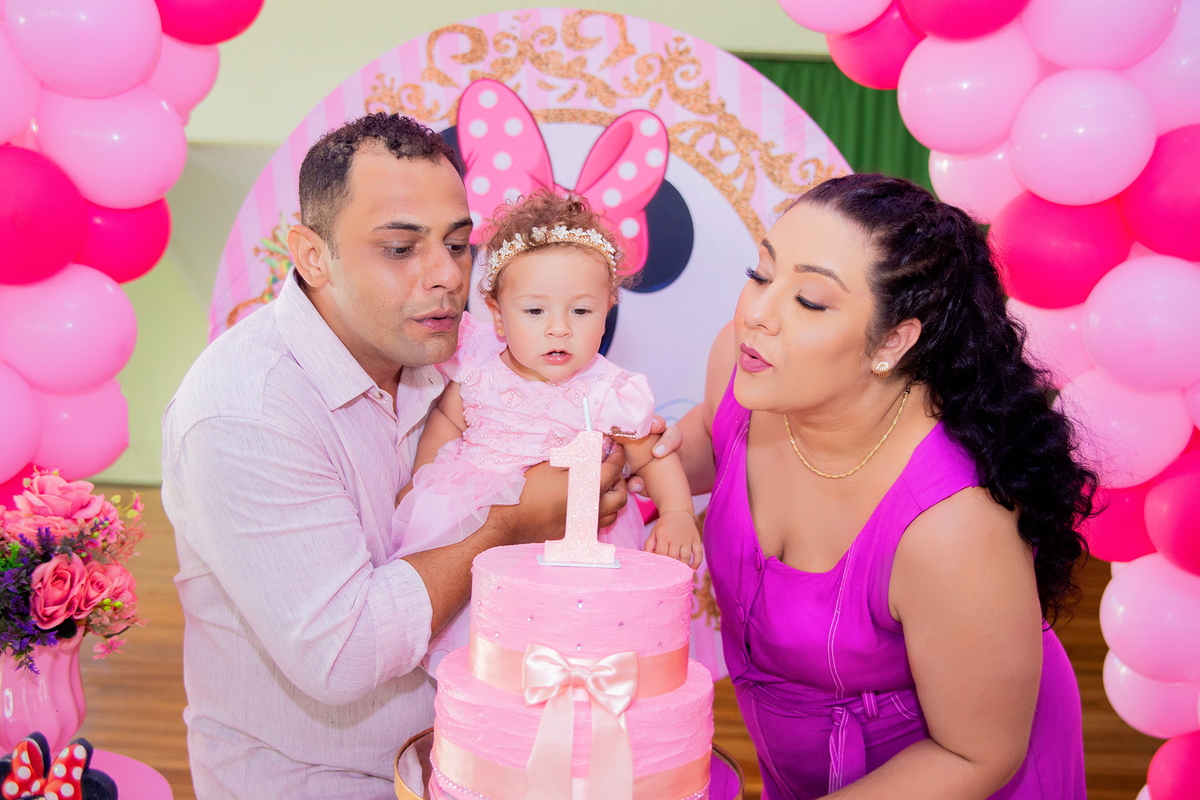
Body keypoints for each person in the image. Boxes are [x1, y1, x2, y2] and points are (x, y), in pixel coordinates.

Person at [160, 114, 642, 799]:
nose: (446, 276)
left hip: (473, 754)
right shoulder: (244, 411)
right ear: (311, 255)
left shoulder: (459, 352)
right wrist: (511, 523)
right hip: (317, 782)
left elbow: (572, 417)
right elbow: (346, 651)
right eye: (399, 248)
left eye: (456, 243)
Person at [655, 174, 1095, 798]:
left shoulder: (952, 526)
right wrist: (644, 460)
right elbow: (713, 436)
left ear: (892, 340)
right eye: (761, 274)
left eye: (808, 300)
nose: (758, 312)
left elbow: (974, 755)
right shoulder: (746, 363)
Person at [390, 189, 700, 675]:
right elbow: (450, 419)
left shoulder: (607, 391)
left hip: (578, 537)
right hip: (474, 516)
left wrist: (678, 511)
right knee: (481, 634)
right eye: (535, 312)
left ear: (608, 308)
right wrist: (424, 473)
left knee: (566, 637)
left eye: (581, 312)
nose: (559, 329)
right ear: (497, 313)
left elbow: (651, 453)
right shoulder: (478, 371)